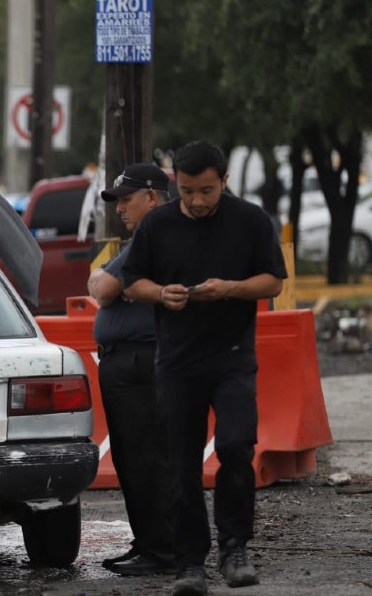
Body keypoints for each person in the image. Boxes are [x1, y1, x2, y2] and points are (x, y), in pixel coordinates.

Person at [121, 141, 287, 596]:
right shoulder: (157, 224)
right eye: (188, 190)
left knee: (236, 447)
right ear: (175, 182)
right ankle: (189, 562)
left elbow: (273, 280)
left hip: (233, 357)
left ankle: (235, 548)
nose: (196, 201)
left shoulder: (251, 220)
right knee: (181, 464)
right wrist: (162, 294)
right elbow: (132, 281)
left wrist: (231, 288)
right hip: (176, 362)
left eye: (207, 190)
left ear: (225, 182)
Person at [88, 163, 175, 576]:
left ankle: (161, 550)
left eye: (127, 199)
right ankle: (151, 545)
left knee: (147, 457)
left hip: (146, 358)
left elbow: (103, 289)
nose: (120, 208)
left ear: (152, 197)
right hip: (132, 358)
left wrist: (102, 277)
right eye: (117, 201)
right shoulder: (142, 239)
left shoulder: (156, 235)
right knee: (135, 456)